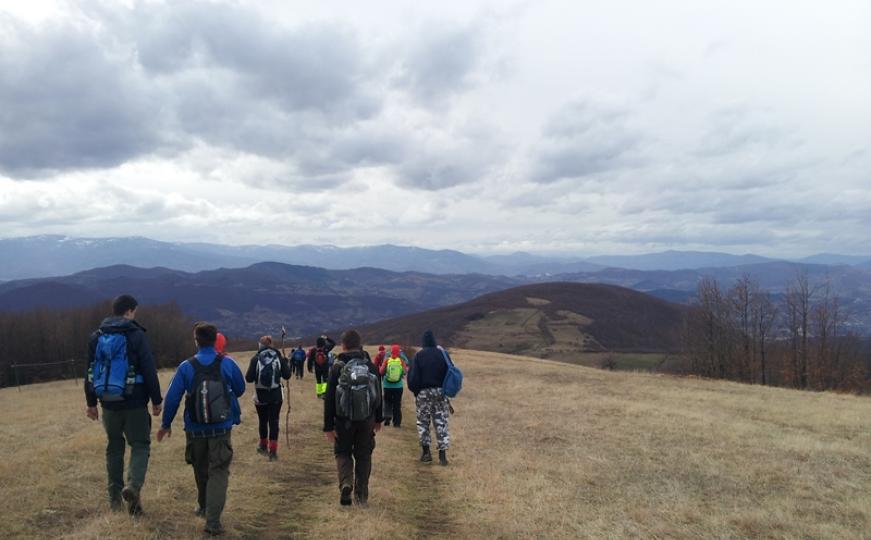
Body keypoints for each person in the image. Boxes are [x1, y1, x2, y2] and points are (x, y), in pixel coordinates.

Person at [157, 322, 246, 536]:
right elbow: (241, 389)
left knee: (200, 468)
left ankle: (203, 506)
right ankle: (213, 521)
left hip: (195, 429)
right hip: (221, 428)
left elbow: (172, 398)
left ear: (196, 341)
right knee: (219, 471)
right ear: (216, 340)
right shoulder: (227, 363)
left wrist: (166, 424)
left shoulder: (186, 367)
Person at [84, 294, 163, 515]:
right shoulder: (136, 335)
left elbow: (89, 372)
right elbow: (148, 369)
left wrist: (91, 403)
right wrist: (156, 401)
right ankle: (133, 486)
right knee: (139, 445)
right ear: (129, 311)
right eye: (134, 311)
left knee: (114, 448)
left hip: (108, 403)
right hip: (135, 401)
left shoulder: (96, 336)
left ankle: (115, 501)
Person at [323, 330, 383, 506]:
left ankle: (346, 483)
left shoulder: (336, 367)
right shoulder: (370, 366)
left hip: (343, 421)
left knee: (342, 452)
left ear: (343, 345)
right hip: (367, 420)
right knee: (364, 455)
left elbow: (329, 398)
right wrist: (379, 418)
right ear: (359, 344)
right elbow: (378, 394)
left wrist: (328, 426)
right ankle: (361, 495)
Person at [407, 331, 451, 466]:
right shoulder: (443, 354)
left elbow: (413, 378)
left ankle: (426, 453)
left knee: (423, 422)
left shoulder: (419, 356)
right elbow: (449, 373)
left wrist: (416, 392)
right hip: (440, 392)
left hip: (423, 393)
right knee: (441, 421)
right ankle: (442, 455)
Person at [245, 336, 291, 460]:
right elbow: (287, 375)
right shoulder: (278, 357)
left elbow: (248, 378)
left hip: (260, 396)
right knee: (274, 421)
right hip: (276, 395)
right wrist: (285, 363)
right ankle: (273, 451)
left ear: (260, 345)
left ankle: (263, 445)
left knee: (263, 420)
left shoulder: (256, 358)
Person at [379, 344, 409, 428]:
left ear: (391, 352)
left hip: (387, 386)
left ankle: (387, 419)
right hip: (398, 386)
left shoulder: (387, 360)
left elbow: (381, 372)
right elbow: (405, 372)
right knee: (397, 404)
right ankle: (397, 422)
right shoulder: (401, 361)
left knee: (387, 402)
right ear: (399, 352)